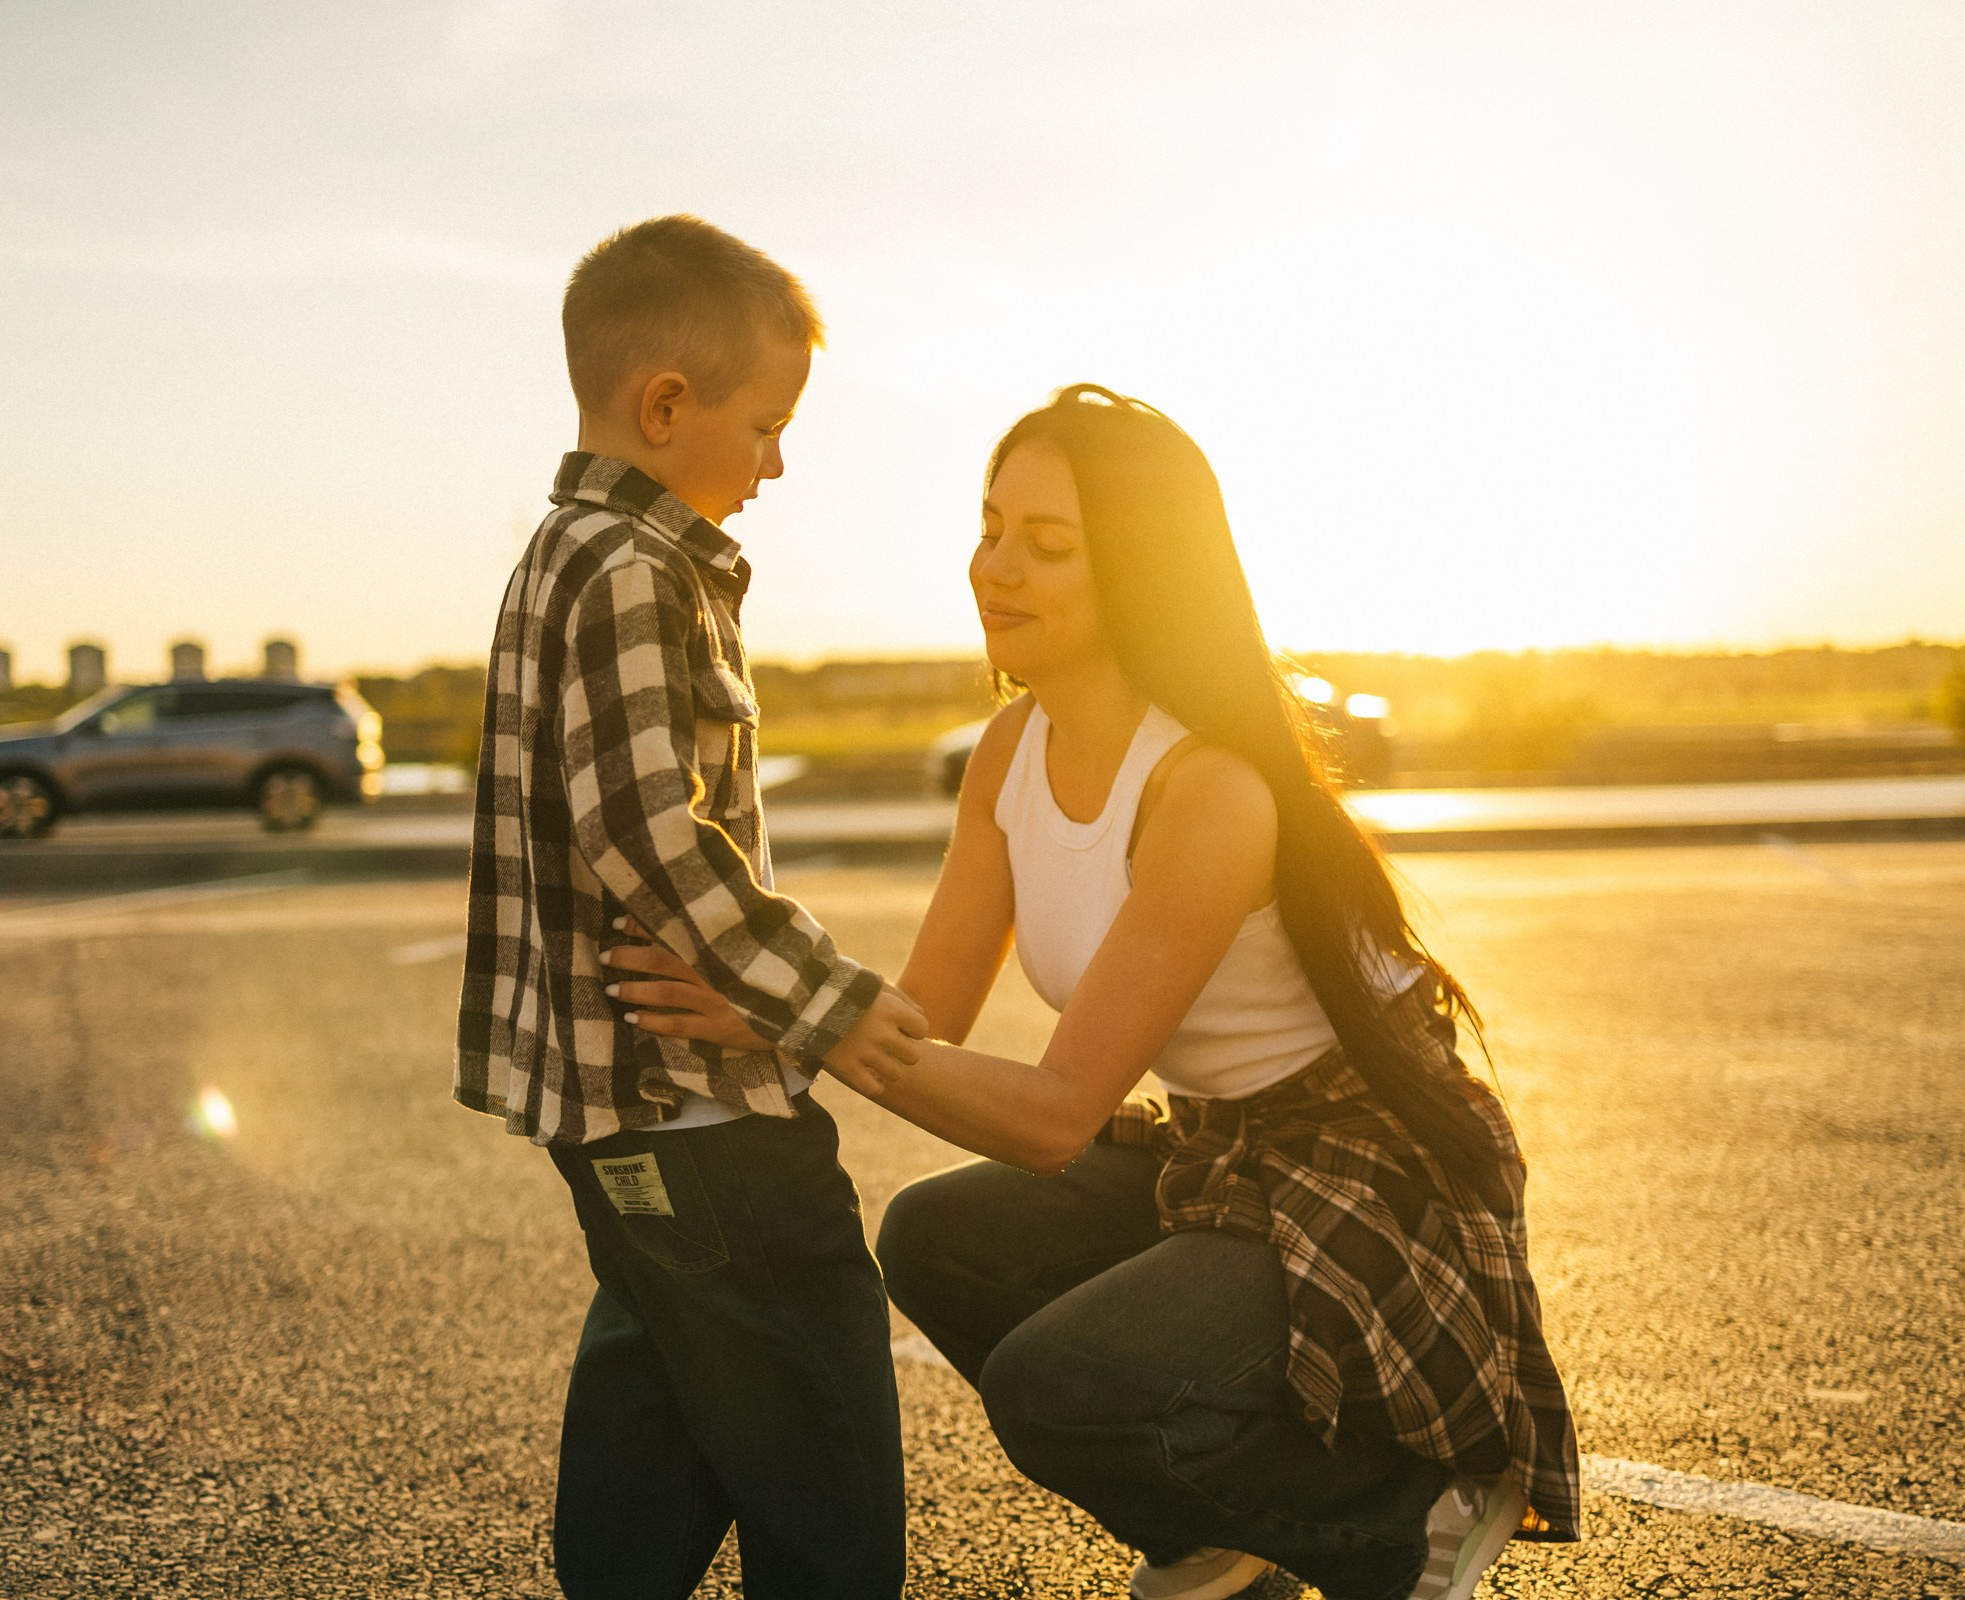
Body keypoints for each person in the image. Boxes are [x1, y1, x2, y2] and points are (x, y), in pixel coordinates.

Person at [603, 386, 1581, 1600]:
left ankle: (1406, 1516)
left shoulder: (1208, 788)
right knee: (937, 1237)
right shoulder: (1012, 753)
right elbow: (931, 1020)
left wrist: (808, 1015)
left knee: (1061, 1386)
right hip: (1222, 1147)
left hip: (1370, 1169)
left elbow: (1058, 1113)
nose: (995, 567)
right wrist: (774, 1010)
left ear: (1143, 571)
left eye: (1047, 544)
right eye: (990, 525)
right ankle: (1211, 1549)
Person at [453, 215, 928, 1600]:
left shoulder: (562, 555)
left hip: (616, 1117)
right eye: (768, 425)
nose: (778, 462)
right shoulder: (633, 572)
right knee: (825, 1465)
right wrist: (842, 1014)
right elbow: (659, 844)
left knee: (661, 1421)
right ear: (667, 404)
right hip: (701, 1109)